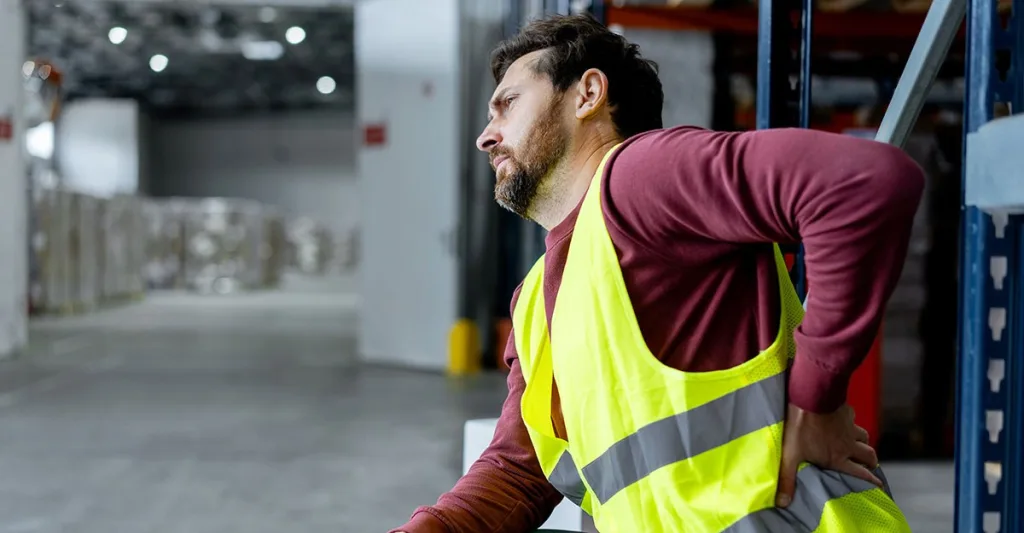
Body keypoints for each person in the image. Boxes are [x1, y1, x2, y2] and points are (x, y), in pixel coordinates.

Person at [393, 13, 923, 533]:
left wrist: (816, 400)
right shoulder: (534, 301)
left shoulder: (641, 177)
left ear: (587, 94)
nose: (487, 137)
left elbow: (865, 184)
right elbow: (515, 476)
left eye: (507, 105)